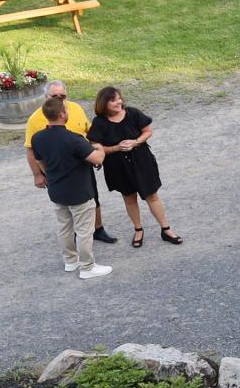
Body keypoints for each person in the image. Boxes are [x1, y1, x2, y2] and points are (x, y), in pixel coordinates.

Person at [30, 95, 112, 279]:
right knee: (84, 230)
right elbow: (97, 159)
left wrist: (49, 174)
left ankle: (70, 261)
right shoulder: (73, 139)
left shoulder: (38, 138)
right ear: (61, 114)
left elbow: (39, 161)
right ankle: (87, 267)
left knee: (64, 227)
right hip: (79, 192)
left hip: (57, 191)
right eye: (66, 110)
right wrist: (99, 148)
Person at [86, 86, 180, 246]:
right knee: (129, 198)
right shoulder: (99, 122)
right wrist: (117, 148)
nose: (119, 102)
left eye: (119, 98)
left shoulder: (132, 113)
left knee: (152, 196)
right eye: (113, 100)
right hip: (117, 167)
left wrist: (136, 142)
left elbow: (148, 131)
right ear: (104, 103)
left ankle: (166, 229)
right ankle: (138, 230)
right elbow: (96, 147)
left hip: (142, 161)